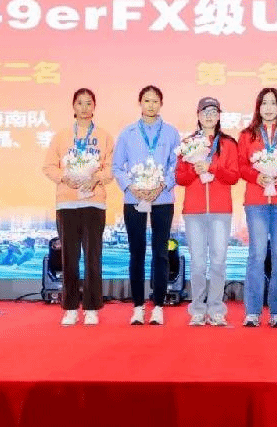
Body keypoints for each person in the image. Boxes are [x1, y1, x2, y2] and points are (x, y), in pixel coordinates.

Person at [43, 88, 114, 326]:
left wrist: (95, 178)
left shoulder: (104, 136)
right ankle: (70, 307)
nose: (84, 108)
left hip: (94, 202)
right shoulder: (61, 136)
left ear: (95, 107)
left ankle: (92, 307)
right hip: (67, 203)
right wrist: (65, 177)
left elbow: (111, 168)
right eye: (80, 103)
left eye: (89, 103)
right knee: (69, 259)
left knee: (93, 257)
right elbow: (49, 166)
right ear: (73, 106)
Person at [113, 85, 179, 326]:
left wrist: (161, 186)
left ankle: (158, 306)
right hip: (134, 199)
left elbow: (176, 165)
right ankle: (138, 307)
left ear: (161, 104)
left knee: (161, 253)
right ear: (140, 103)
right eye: (147, 100)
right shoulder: (127, 133)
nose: (151, 105)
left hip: (162, 198)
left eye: (155, 101)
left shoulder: (171, 133)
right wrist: (131, 187)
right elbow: (117, 167)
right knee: (137, 252)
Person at [238, 88, 277, 328]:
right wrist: (258, 177)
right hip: (256, 201)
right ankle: (252, 312)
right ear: (258, 107)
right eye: (264, 103)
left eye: (273, 103)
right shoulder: (247, 135)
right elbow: (241, 166)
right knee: (256, 255)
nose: (268, 107)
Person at [175, 97, 240, 327]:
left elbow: (234, 176)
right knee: (198, 263)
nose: (209, 116)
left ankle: (216, 309)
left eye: (214, 111)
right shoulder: (187, 144)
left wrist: (212, 167)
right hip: (194, 211)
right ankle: (198, 309)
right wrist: (195, 169)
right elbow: (180, 177)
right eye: (205, 111)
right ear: (198, 115)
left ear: (219, 115)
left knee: (219, 262)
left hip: (221, 211)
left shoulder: (228, 144)